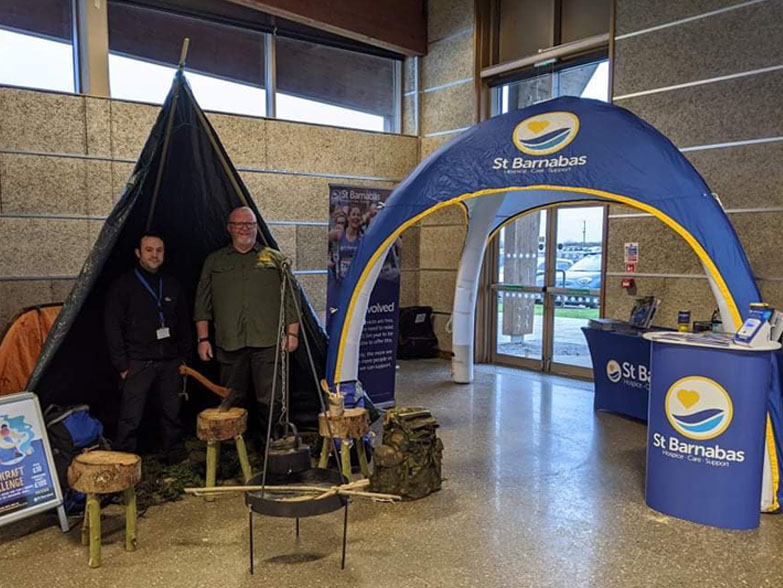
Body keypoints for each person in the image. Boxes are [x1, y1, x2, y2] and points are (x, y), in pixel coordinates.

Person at [194, 207, 299, 442]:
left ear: (256, 228)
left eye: (249, 224)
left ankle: (273, 446)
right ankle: (233, 450)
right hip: (229, 341)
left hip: (269, 342)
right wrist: (203, 339)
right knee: (231, 398)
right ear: (229, 228)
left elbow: (292, 299)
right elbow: (202, 302)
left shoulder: (276, 260)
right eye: (239, 224)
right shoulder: (214, 261)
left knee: (271, 399)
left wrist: (292, 333)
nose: (244, 228)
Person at [104, 232, 190, 464]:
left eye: (159, 250)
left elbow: (183, 323)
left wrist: (183, 357)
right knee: (130, 417)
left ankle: (176, 458)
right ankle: (123, 464)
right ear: (138, 253)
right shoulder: (124, 285)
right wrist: (122, 365)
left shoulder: (171, 284)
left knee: (172, 413)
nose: (154, 255)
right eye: (149, 250)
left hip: (170, 362)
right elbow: (112, 326)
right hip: (138, 362)